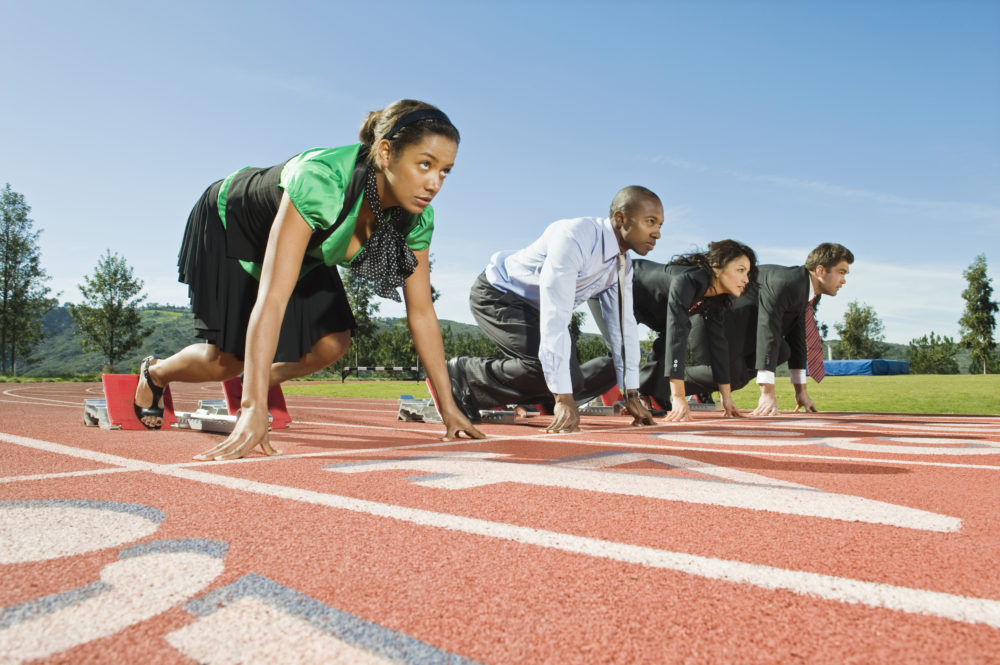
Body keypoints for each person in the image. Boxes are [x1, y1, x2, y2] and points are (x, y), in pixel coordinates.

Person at [132, 99, 485, 459]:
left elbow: (422, 313)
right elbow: (272, 298)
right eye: (425, 164)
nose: (435, 183)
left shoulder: (416, 219)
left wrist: (449, 408)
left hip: (307, 246)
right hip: (234, 225)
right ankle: (156, 373)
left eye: (445, 171)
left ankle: (253, 376)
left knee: (331, 344)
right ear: (385, 153)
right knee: (226, 361)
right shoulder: (322, 182)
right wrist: (254, 408)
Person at [441, 186, 663, 434]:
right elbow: (555, 316)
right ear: (621, 218)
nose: (657, 234)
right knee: (549, 373)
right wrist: (562, 398)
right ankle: (463, 373)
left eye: (660, 225)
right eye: (650, 222)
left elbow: (623, 327)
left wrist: (631, 392)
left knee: (572, 381)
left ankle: (524, 394)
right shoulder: (576, 237)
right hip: (499, 294)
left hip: (536, 307)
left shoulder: (622, 265)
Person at [585, 240, 756, 422]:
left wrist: (727, 398)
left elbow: (719, 347)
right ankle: (561, 392)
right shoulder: (689, 280)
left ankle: (648, 395)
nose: (746, 279)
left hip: (645, 305)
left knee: (672, 337)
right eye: (740, 270)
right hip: (613, 285)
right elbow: (677, 334)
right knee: (624, 352)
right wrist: (679, 398)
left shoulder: (713, 300)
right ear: (717, 267)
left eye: (748, 272)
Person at [686, 242, 854, 415]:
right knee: (734, 377)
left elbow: (797, 339)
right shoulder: (787, 283)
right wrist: (767, 394)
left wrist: (801, 392)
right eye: (841, 272)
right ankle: (661, 382)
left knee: (783, 350)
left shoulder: (808, 294)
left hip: (741, 332)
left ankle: (702, 388)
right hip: (710, 328)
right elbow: (768, 329)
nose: (844, 280)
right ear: (820, 271)